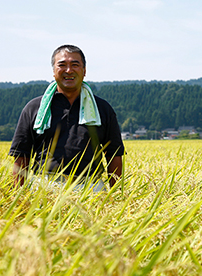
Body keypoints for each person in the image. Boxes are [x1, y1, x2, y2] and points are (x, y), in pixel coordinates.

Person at [9, 44, 125, 189]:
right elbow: (21, 155)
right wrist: (17, 197)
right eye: (62, 65)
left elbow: (114, 154)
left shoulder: (102, 108)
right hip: (45, 187)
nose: (68, 70)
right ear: (54, 71)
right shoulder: (35, 108)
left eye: (75, 65)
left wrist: (117, 194)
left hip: (91, 186)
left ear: (84, 71)